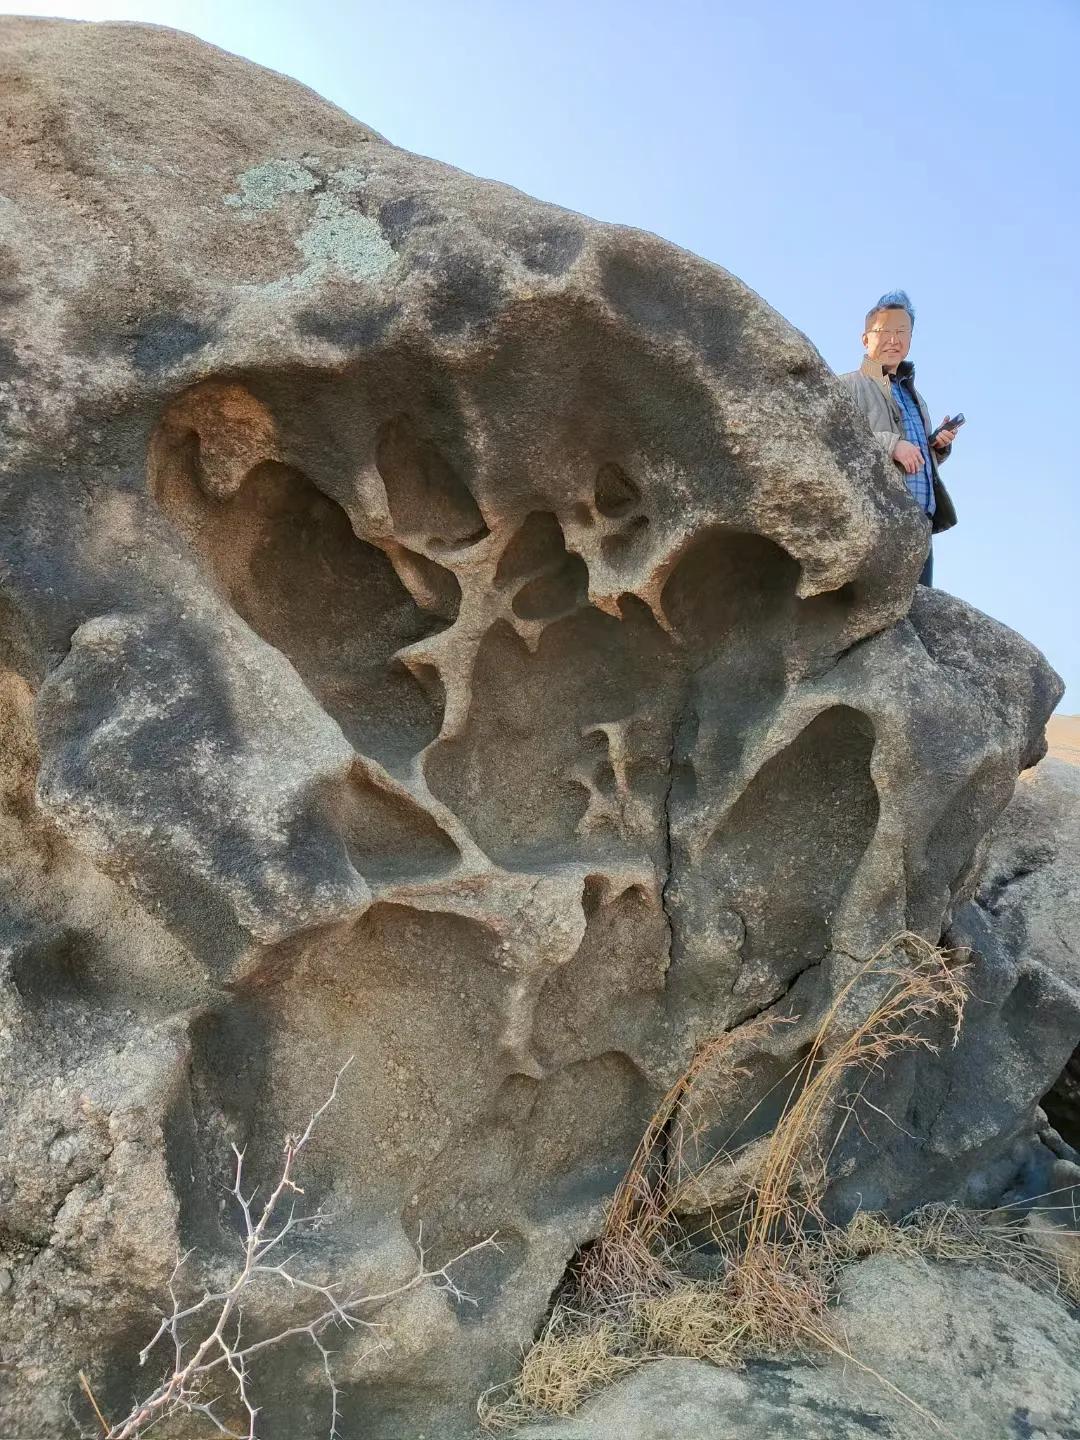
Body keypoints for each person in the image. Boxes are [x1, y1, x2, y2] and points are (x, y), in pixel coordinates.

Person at [840, 290, 959, 586]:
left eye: (902, 332)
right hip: (879, 518)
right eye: (884, 331)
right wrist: (891, 445)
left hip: (920, 523)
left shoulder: (915, 398)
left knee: (917, 607)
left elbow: (916, 459)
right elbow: (837, 438)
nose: (894, 340)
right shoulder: (848, 386)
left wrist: (936, 446)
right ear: (865, 339)